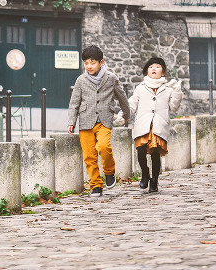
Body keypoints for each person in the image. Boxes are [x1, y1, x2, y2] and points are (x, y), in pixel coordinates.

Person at [67, 45, 130, 197]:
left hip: (104, 120)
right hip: (85, 121)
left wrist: (126, 114)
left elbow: (122, 98)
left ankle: (109, 172)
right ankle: (96, 185)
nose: (89, 66)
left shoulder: (111, 78)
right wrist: (71, 121)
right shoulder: (80, 80)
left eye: (92, 63)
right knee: (89, 156)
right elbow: (74, 102)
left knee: (103, 146)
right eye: (86, 63)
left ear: (101, 62)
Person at [127, 56, 182, 193]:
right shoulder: (140, 88)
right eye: (151, 67)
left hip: (159, 125)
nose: (154, 69)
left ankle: (155, 181)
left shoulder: (168, 89)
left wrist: (177, 91)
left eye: (157, 67)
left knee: (155, 154)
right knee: (140, 151)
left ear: (163, 72)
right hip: (143, 124)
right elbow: (132, 104)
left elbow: (174, 107)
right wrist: (123, 115)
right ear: (146, 71)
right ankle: (145, 174)